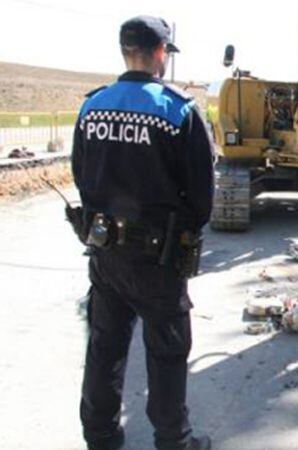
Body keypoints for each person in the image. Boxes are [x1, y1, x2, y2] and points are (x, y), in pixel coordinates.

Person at [71, 15, 214, 450]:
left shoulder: (91, 106)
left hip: (105, 252)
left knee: (105, 347)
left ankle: (100, 435)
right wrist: (181, 231)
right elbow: (202, 196)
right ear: (159, 54)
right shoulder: (178, 111)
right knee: (167, 351)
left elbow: (81, 175)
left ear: (124, 52)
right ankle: (174, 440)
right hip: (158, 256)